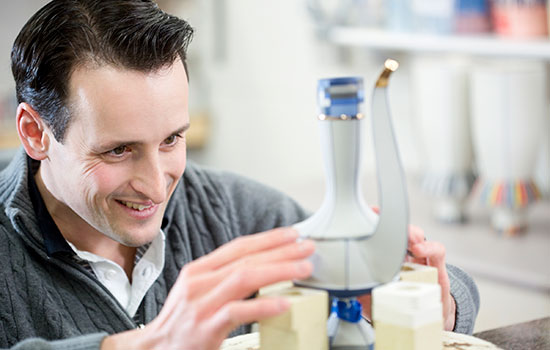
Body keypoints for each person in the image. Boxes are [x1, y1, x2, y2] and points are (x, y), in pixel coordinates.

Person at [0, 0, 479, 349]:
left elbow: (455, 285)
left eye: (171, 139)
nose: (157, 183)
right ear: (35, 132)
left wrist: (435, 301)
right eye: (119, 150)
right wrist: (156, 344)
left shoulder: (226, 210)